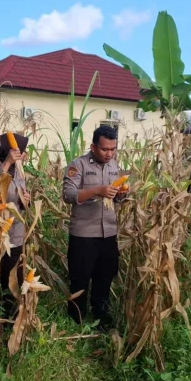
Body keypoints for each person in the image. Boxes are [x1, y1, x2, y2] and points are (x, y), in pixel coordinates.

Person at [62, 125, 127, 329]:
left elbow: (115, 200)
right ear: (93, 146)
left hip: (108, 232)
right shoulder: (78, 165)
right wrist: (97, 190)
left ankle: (101, 317)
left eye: (113, 149)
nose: (109, 154)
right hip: (84, 234)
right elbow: (68, 195)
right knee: (80, 279)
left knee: (105, 277)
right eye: (105, 149)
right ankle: (76, 319)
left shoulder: (114, 166)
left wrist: (121, 195)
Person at [0, 132, 31, 317]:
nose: (21, 154)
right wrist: (7, 164)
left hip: (16, 234)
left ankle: (11, 316)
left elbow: (21, 199)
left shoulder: (20, 172)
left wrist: (25, 200)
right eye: (17, 150)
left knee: (13, 278)